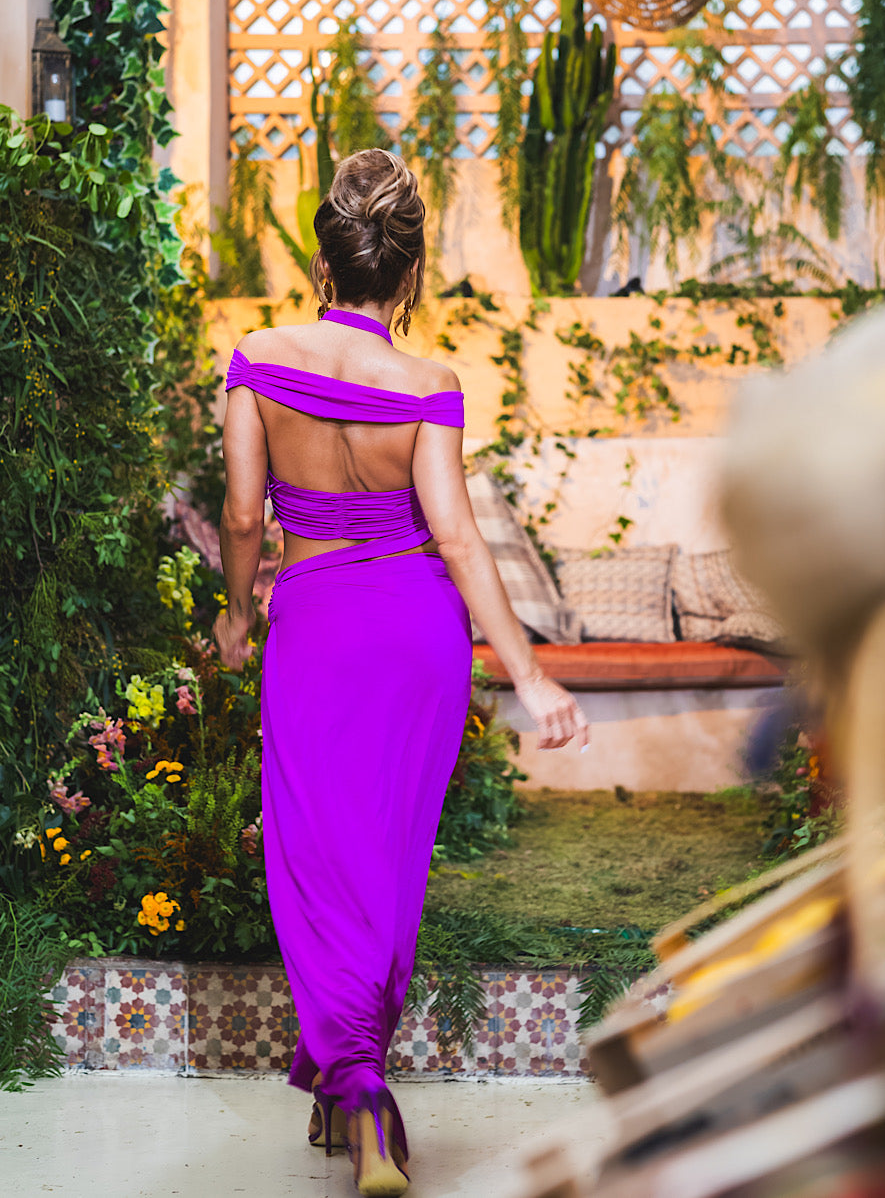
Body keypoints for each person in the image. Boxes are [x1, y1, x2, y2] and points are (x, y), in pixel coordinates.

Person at [213, 149, 589, 1196]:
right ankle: (346, 1084)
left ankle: (363, 1094)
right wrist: (530, 677)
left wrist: (236, 616)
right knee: (382, 866)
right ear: (410, 271)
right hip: (416, 637)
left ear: (322, 262)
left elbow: (242, 515)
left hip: (316, 630)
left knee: (315, 860)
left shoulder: (257, 359)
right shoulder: (428, 386)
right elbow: (459, 539)